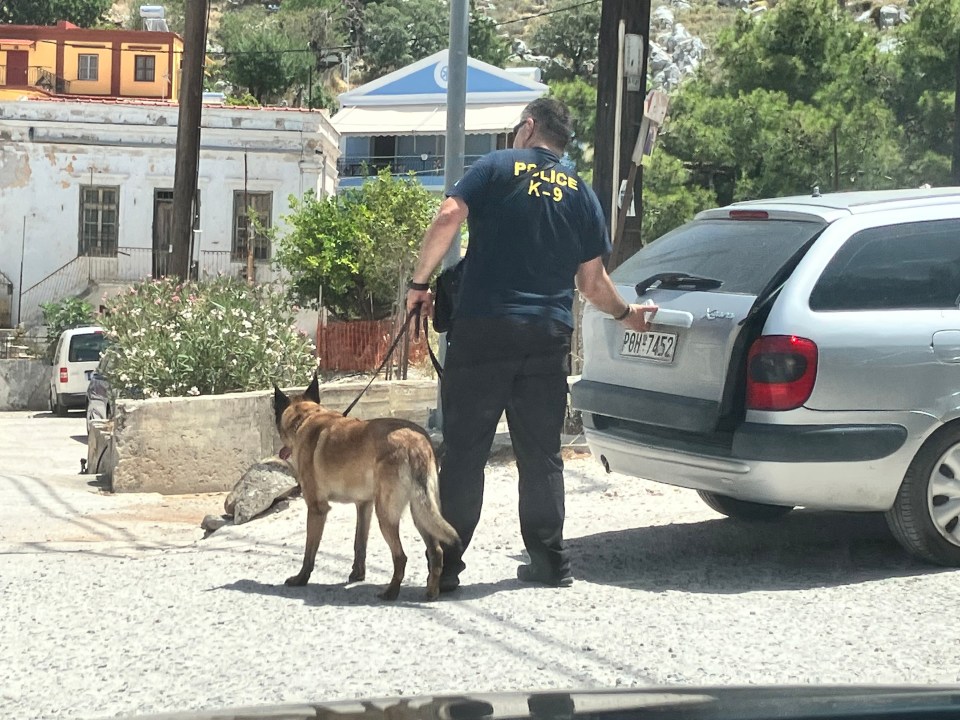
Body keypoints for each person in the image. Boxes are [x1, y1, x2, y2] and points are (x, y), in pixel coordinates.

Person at [405, 97, 657, 592]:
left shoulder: (496, 167)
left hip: (483, 329)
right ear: (561, 142)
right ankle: (549, 562)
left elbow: (448, 215)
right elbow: (591, 282)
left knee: (466, 452)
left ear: (527, 128)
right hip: (547, 334)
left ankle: (447, 566)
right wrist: (627, 314)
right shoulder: (582, 194)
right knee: (541, 454)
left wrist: (419, 284)